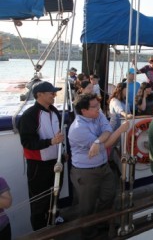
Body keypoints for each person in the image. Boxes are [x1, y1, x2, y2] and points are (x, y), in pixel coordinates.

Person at [69, 93, 129, 238]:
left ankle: (101, 223)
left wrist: (97, 141)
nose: (99, 109)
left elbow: (107, 130)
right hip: (86, 172)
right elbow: (108, 143)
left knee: (109, 195)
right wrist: (120, 130)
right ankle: (88, 233)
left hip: (103, 166)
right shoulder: (77, 129)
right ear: (84, 111)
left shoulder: (98, 114)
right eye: (95, 106)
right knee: (87, 206)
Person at [18, 81, 64, 230]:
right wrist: (50, 142)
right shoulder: (29, 115)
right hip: (39, 166)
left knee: (55, 193)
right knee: (39, 201)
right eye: (51, 93)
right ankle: (40, 231)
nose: (55, 95)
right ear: (40, 95)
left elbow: (59, 135)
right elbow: (27, 142)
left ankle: (54, 218)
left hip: (56, 162)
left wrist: (63, 152)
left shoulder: (54, 111)